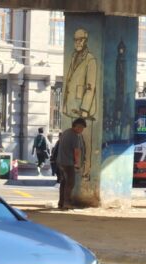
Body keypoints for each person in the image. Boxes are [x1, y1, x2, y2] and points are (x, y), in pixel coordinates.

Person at [63, 28, 97, 181]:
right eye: (76, 40)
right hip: (72, 108)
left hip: (84, 112)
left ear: (85, 40)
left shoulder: (90, 60)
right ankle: (77, 168)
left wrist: (84, 110)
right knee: (76, 144)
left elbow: (90, 87)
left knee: (86, 144)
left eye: (81, 40)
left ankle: (86, 171)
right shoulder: (73, 57)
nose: (78, 42)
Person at [56, 118, 86, 210]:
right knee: (70, 183)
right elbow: (76, 151)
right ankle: (66, 203)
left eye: (83, 128)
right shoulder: (74, 136)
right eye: (80, 128)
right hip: (68, 163)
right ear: (76, 126)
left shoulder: (66, 132)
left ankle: (61, 203)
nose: (81, 130)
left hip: (60, 162)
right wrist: (77, 163)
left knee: (64, 183)